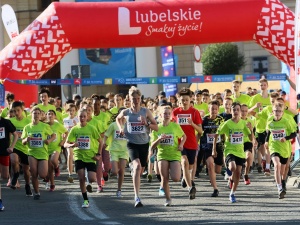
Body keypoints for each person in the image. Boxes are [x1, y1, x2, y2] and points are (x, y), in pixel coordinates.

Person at [116, 86, 158, 207]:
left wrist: (147, 123)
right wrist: (121, 128)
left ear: (140, 99)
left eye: (138, 98)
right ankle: (137, 197)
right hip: (131, 144)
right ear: (129, 99)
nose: (136, 101)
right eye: (133, 99)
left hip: (144, 144)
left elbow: (156, 127)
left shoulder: (146, 112)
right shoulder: (126, 112)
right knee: (138, 165)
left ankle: (134, 169)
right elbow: (118, 119)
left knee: (140, 170)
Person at [213, 102, 253, 203]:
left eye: (237, 110)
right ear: (231, 111)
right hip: (229, 150)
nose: (236, 112)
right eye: (234, 110)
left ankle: (232, 193)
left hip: (240, 151)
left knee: (238, 173)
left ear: (240, 112)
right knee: (232, 167)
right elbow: (217, 134)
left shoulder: (244, 123)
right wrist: (214, 149)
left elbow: (250, 138)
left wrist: (251, 130)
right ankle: (229, 172)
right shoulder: (227, 123)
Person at [64, 108, 102, 208]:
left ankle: (89, 181)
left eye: (84, 116)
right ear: (78, 117)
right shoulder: (74, 129)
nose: (82, 118)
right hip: (78, 156)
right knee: (81, 179)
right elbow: (65, 144)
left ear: (87, 117)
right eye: (80, 116)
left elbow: (101, 141)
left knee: (92, 179)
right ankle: (85, 200)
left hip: (90, 156)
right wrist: (72, 145)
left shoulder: (91, 128)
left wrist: (98, 154)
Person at [151, 106, 186, 206]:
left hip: (174, 154)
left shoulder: (175, 126)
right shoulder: (157, 128)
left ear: (171, 115)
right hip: (162, 154)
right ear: (160, 115)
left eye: (168, 113)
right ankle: (168, 199)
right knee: (164, 178)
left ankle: (178, 172)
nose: (167, 115)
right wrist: (159, 139)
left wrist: (181, 144)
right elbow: (152, 146)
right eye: (165, 113)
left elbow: (184, 136)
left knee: (175, 178)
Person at [172, 87, 202, 200]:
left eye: (186, 100)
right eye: (182, 100)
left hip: (192, 143)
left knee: (189, 167)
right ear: (179, 100)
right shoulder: (175, 112)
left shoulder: (195, 112)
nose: (184, 102)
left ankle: (185, 178)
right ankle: (190, 188)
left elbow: (200, 131)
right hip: (179, 143)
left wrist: (192, 124)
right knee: (184, 162)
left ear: (190, 100)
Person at [21, 107, 55, 200]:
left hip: (43, 152)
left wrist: (49, 140)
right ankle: (37, 192)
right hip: (32, 152)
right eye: (34, 113)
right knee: (34, 173)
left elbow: (53, 135)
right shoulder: (27, 127)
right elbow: (23, 141)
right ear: (31, 115)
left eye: (38, 113)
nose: (36, 115)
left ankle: (47, 177)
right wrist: (26, 140)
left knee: (43, 174)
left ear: (40, 115)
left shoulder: (44, 126)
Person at [265, 102, 297, 199]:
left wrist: (286, 138)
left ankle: (283, 183)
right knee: (276, 164)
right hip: (274, 146)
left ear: (282, 112)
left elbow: (294, 134)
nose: (277, 113)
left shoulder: (286, 122)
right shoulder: (270, 121)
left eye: (279, 111)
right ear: (272, 111)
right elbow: (268, 133)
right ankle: (279, 188)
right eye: (275, 111)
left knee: (283, 171)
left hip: (284, 148)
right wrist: (266, 142)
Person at [100, 107, 128, 197]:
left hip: (124, 151)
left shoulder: (128, 125)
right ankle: (109, 173)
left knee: (122, 171)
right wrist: (104, 142)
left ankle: (119, 190)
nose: (123, 116)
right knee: (115, 171)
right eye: (121, 114)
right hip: (114, 150)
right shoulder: (113, 125)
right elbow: (106, 135)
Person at [200, 100, 224, 197]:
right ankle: (215, 188)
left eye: (215, 109)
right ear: (208, 109)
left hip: (218, 146)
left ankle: (212, 176)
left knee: (217, 170)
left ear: (218, 110)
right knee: (210, 164)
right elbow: (199, 132)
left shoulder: (221, 120)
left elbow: (224, 133)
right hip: (207, 146)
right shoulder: (204, 120)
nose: (213, 111)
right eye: (211, 109)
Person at [249, 78, 272, 174]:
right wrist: (257, 112)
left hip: (270, 125)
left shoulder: (271, 97)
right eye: (261, 85)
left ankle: (267, 165)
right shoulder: (255, 98)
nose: (262, 87)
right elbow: (249, 111)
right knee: (261, 147)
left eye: (264, 85)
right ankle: (263, 159)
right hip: (259, 125)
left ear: (267, 86)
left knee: (268, 147)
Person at [9, 101, 32, 195]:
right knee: (14, 160)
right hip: (14, 146)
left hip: (25, 148)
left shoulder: (28, 121)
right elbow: (8, 134)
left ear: (22, 109)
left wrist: (22, 135)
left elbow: (31, 134)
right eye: (14, 111)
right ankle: (16, 175)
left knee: (26, 170)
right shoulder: (11, 121)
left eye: (18, 110)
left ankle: (27, 185)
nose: (17, 113)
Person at [46, 110, 68, 191]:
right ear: (46, 116)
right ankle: (52, 184)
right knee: (49, 169)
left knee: (53, 160)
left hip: (56, 147)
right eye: (49, 114)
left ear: (55, 116)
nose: (50, 116)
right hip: (46, 149)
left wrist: (63, 141)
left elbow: (66, 132)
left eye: (52, 114)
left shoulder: (58, 125)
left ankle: (57, 166)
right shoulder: (44, 125)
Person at [0, 113, 18, 211]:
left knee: (5, 176)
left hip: (4, 151)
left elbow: (16, 135)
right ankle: (0, 201)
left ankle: (14, 174)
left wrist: (11, 147)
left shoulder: (5, 122)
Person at [240, 104, 257, 184]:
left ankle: (246, 174)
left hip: (247, 142)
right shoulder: (235, 120)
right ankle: (232, 178)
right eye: (242, 111)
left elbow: (252, 135)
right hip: (237, 143)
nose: (244, 113)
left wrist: (250, 129)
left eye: (246, 111)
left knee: (248, 156)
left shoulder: (250, 121)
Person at [63, 103, 79, 183]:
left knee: (75, 156)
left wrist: (76, 126)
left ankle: (76, 166)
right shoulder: (65, 120)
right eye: (70, 110)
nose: (71, 112)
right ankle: (70, 174)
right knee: (69, 155)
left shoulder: (78, 119)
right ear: (67, 111)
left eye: (73, 110)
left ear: (76, 111)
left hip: (76, 140)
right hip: (68, 141)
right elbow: (63, 130)